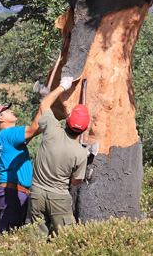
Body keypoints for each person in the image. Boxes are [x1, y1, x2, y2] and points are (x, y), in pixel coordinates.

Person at [26, 76, 90, 237]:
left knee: (35, 240)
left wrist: (63, 86)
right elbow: (76, 182)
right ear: (84, 130)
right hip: (59, 198)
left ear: (67, 121)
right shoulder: (81, 153)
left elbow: (44, 104)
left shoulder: (52, 129)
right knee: (67, 239)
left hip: (36, 193)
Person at [0, 100, 42, 233]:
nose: (12, 111)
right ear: (0, 118)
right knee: (7, 239)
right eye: (7, 110)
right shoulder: (8, 133)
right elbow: (33, 129)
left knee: (12, 237)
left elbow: (35, 131)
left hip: (12, 192)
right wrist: (44, 103)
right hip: (12, 194)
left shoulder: (3, 137)